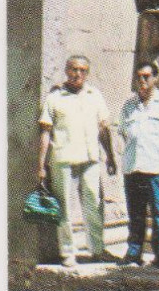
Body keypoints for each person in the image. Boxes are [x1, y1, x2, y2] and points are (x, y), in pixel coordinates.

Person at [36, 55, 117, 266]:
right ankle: (68, 253)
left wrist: (110, 156)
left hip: (90, 157)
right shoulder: (55, 97)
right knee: (63, 206)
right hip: (62, 157)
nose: (77, 74)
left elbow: (104, 128)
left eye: (82, 70)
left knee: (94, 202)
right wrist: (41, 165)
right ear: (66, 70)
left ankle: (97, 249)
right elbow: (46, 131)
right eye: (73, 69)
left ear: (87, 73)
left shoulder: (94, 95)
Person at [116, 60, 159, 267]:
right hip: (134, 167)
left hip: (156, 167)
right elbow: (123, 132)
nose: (142, 81)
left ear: (155, 78)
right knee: (135, 213)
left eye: (147, 76)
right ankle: (134, 251)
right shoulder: (129, 106)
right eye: (139, 77)